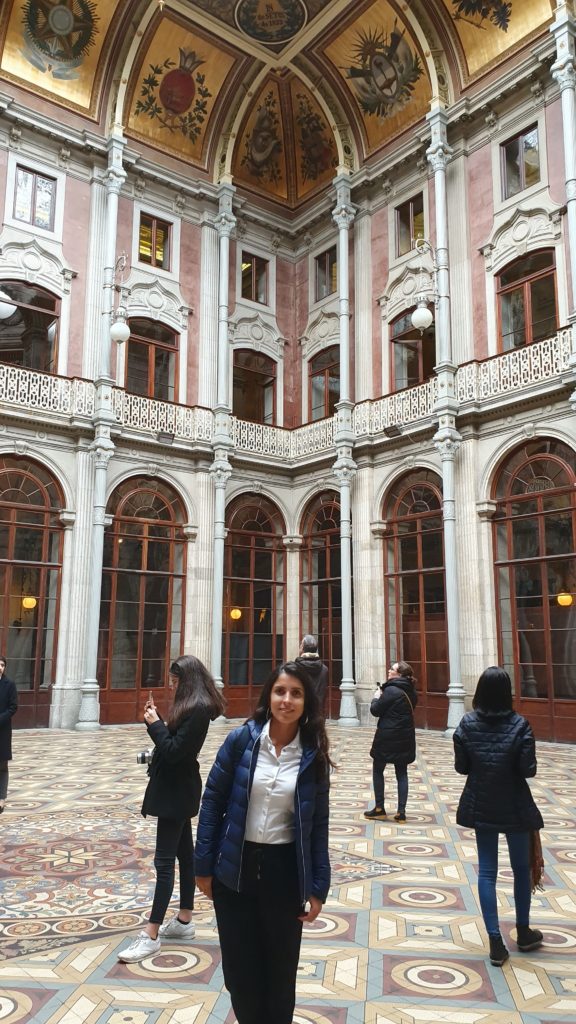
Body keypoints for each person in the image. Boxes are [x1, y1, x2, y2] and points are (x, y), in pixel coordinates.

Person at [195, 661, 331, 1024]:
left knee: (280, 976)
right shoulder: (242, 740)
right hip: (235, 871)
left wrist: (319, 886)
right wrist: (203, 865)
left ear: (307, 702)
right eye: (280, 691)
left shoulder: (311, 753)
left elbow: (318, 825)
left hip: (284, 875)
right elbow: (212, 803)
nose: (287, 700)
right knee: (240, 977)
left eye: (296, 693)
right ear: (268, 695)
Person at [117, 655, 225, 963]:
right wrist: (159, 723)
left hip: (176, 793)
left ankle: (150, 935)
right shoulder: (193, 708)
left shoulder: (199, 710)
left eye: (176, 682)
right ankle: (184, 920)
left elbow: (176, 752)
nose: (171, 686)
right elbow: (175, 744)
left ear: (188, 681)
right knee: (184, 855)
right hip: (176, 789)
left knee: (164, 863)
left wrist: (155, 725)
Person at [453, 666, 544, 967]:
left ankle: (495, 940)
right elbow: (528, 770)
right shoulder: (521, 725)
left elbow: (462, 767)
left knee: (488, 871)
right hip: (515, 805)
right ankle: (523, 930)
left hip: (482, 803)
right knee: (521, 869)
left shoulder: (466, 724)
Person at [364, 660, 417, 822]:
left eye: (392, 669)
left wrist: (376, 697)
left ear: (399, 674)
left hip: (387, 736)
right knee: (401, 773)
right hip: (405, 736)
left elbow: (375, 710)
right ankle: (401, 812)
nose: (388, 670)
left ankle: (379, 808)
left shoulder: (391, 691)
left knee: (378, 769)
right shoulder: (411, 691)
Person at [0, 655, 18, 813]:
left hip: (3, 730)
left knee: (2, 767)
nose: (0, 667)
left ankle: (1, 799)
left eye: (2, 664)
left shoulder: (9, 684)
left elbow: (13, 707)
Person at [295, 634, 329, 713]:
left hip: (301, 712)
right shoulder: (324, 669)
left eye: (300, 645)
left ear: (302, 648)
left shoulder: (296, 668)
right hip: (318, 712)